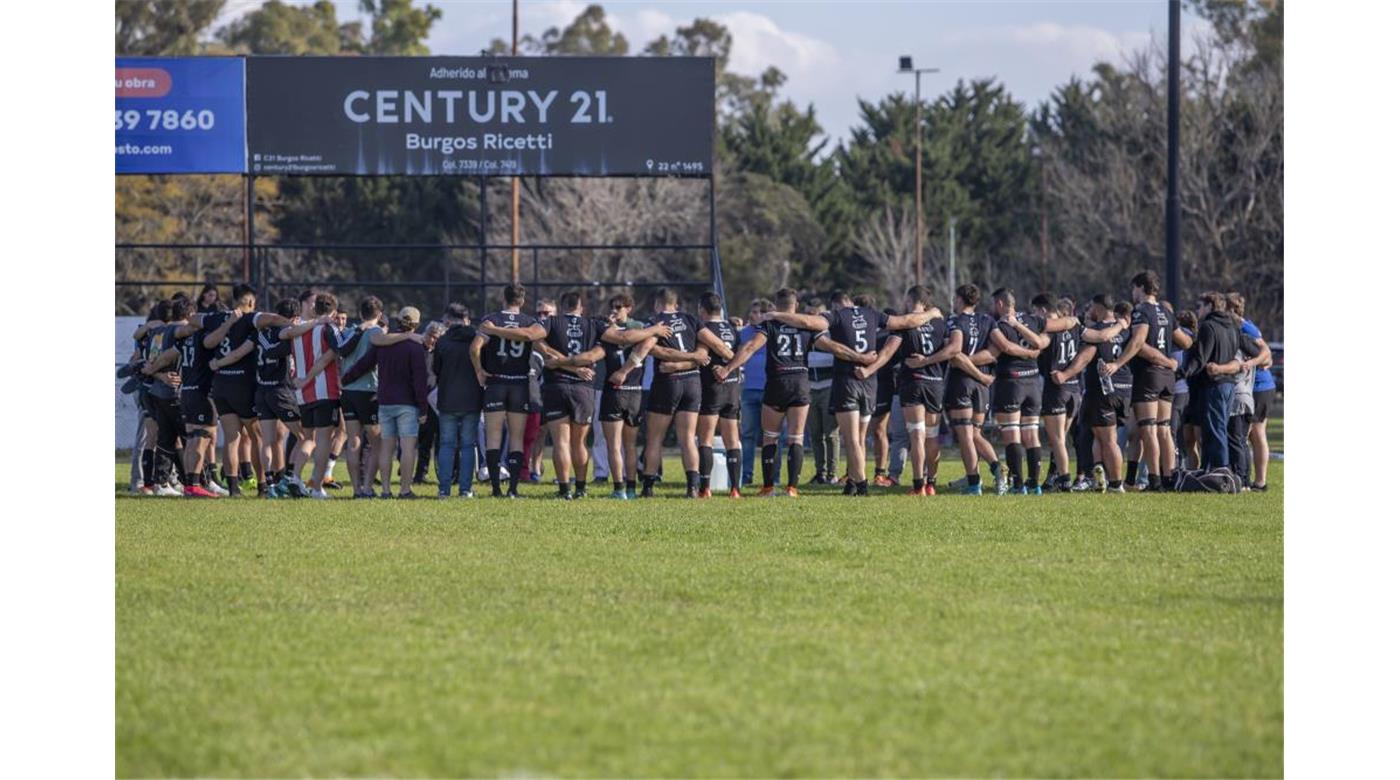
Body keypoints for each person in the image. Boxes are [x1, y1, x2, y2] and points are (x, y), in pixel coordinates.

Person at [767, 289, 939, 495]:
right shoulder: (873, 314)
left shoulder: (837, 315)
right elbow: (905, 322)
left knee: (851, 439)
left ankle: (861, 484)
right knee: (860, 437)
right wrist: (931, 313)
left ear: (841, 304)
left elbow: (808, 323)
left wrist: (776, 315)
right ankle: (852, 483)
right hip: (869, 382)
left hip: (848, 379)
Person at [716, 287, 863, 496]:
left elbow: (749, 347)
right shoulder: (807, 326)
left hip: (778, 381)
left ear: (776, 306)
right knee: (796, 437)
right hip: (800, 382)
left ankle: (768, 488)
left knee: (770, 437)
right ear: (796, 306)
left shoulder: (770, 324)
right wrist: (862, 358)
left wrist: (728, 368)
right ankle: (792, 488)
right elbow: (834, 347)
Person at [974, 288, 1079, 494]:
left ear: (1001, 305)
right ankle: (1034, 484)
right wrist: (1074, 321)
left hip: (1011, 383)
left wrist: (965, 360)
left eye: (996, 305)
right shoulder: (1032, 320)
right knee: (1032, 435)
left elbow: (998, 351)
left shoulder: (1000, 325)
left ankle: (1018, 484)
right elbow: (1061, 324)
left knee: (1011, 433)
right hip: (1033, 384)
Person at [1101, 271, 1190, 491]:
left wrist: (1118, 363)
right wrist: (1169, 360)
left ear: (1140, 287)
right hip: (1168, 379)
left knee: (1149, 429)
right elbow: (1186, 341)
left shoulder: (1142, 311)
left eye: (1134, 289)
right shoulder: (1167, 313)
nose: (1133, 294)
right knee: (1164, 429)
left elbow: (1138, 342)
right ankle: (1169, 479)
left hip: (1149, 376)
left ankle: (1155, 480)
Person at [343, 306, 431, 499]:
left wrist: (346, 379)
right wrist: (423, 408)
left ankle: (385, 490)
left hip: (384, 402)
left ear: (397, 321)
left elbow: (364, 364)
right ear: (416, 324)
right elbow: (419, 380)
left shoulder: (384, 342)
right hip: (407, 404)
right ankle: (405, 490)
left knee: (386, 448)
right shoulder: (415, 347)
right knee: (408, 447)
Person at [639, 288, 718, 498]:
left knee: (655, 438)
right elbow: (710, 345)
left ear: (657, 304)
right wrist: (693, 358)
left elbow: (654, 350)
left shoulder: (654, 322)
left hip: (667, 382)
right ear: (676, 304)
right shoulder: (691, 319)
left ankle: (648, 488)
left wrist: (676, 363)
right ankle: (692, 488)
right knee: (688, 438)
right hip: (693, 382)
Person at [471, 285, 548, 498]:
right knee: (516, 438)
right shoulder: (529, 321)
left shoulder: (491, 320)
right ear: (522, 301)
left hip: (496, 383)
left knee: (492, 437)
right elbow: (534, 334)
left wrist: (479, 370)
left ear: (503, 299)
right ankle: (513, 489)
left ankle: (496, 489)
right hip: (519, 384)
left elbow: (475, 348)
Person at [533, 292, 606, 500]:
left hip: (556, 386)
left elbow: (537, 342)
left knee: (561, 443)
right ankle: (581, 489)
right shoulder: (591, 324)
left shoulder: (551, 322)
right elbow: (604, 348)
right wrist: (576, 368)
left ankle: (564, 490)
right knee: (580, 443)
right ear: (581, 308)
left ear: (562, 306)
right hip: (584, 388)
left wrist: (559, 362)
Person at [1180, 291, 1263, 472]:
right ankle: (1210, 469)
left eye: (1199, 306)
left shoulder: (1209, 326)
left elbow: (1201, 357)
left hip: (1214, 385)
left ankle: (1220, 471)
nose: (1197, 310)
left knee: (1214, 430)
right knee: (1217, 429)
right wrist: (1252, 362)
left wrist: (1182, 373)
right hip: (1229, 385)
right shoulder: (1232, 326)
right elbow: (1258, 350)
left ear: (1210, 306)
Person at [594, 294, 667, 499]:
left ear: (629, 308)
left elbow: (626, 340)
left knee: (622, 445)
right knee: (621, 445)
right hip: (629, 393)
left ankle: (623, 490)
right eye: (612, 307)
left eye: (619, 307)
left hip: (623, 392)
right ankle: (626, 488)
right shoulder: (640, 332)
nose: (615, 310)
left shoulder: (629, 331)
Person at [1053, 294, 1128, 492]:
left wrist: (1065, 374)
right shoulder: (1126, 330)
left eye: (1092, 308)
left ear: (1098, 307)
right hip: (1124, 389)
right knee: (1096, 434)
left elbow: (1085, 357)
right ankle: (1098, 475)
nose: (1089, 311)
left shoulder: (1099, 330)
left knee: (1108, 439)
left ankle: (1115, 484)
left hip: (1103, 390)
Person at [893, 285, 957, 496]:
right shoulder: (940, 323)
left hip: (913, 381)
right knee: (932, 437)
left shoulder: (906, 322)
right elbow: (950, 351)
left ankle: (918, 485)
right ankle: (931, 484)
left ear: (911, 300)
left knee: (916, 435)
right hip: (935, 382)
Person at [943, 285, 1003, 495]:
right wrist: (983, 374)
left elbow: (955, 353)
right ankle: (997, 468)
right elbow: (996, 349)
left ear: (959, 299)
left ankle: (974, 483)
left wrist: (969, 368)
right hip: (983, 387)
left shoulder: (954, 321)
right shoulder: (988, 320)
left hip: (963, 384)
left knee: (966, 436)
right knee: (975, 434)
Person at [284, 292, 343, 499]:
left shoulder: (299, 329)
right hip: (324, 390)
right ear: (333, 312)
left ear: (314, 309)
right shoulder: (329, 328)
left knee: (307, 438)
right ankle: (317, 487)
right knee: (324, 439)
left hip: (302, 393)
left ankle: (295, 478)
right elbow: (331, 355)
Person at [252, 298, 303, 498]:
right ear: (295, 317)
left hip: (262, 390)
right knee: (306, 436)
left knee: (268, 440)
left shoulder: (262, 332)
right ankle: (290, 478)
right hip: (280, 391)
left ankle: (270, 484)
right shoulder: (286, 333)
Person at [432, 303, 483, 498]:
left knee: (446, 444)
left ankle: (444, 489)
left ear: (448, 319)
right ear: (467, 319)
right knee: (468, 445)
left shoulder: (443, 342)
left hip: (447, 400)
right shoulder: (476, 339)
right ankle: (465, 489)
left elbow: (436, 369)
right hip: (472, 399)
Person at [694, 292, 741, 498]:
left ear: (702, 309)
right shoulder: (731, 328)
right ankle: (735, 489)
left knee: (706, 439)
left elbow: (702, 355)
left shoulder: (704, 329)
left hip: (712, 387)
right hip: (732, 387)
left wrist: (712, 364)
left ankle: (705, 488)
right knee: (732, 440)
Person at [1034, 295, 1082, 492]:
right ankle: (1055, 477)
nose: (1035, 315)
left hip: (1056, 389)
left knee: (1057, 440)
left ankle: (1064, 480)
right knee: (1061, 439)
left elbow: (1039, 343)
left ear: (1043, 310)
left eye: (1036, 311)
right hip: (1074, 389)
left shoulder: (1050, 330)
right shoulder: (1074, 327)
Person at [1231, 293, 1275, 490]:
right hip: (1258, 386)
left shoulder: (1245, 327)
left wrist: (1250, 364)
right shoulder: (1240, 327)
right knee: (1254, 434)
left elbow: (1266, 355)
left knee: (1253, 433)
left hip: (1259, 387)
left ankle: (1256, 481)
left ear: (1232, 310)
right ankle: (1258, 481)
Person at [736, 298, 776, 486]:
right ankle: (746, 475)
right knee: (748, 435)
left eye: (756, 312)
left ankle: (773, 478)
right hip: (749, 390)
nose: (752, 315)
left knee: (773, 436)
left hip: (771, 390)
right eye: (751, 312)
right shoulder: (743, 333)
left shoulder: (774, 331)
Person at [802, 297, 839, 485]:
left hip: (828, 387)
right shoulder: (804, 334)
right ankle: (820, 473)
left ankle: (833, 474)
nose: (810, 319)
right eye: (807, 314)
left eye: (814, 315)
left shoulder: (832, 334)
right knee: (815, 434)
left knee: (831, 433)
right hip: (810, 388)